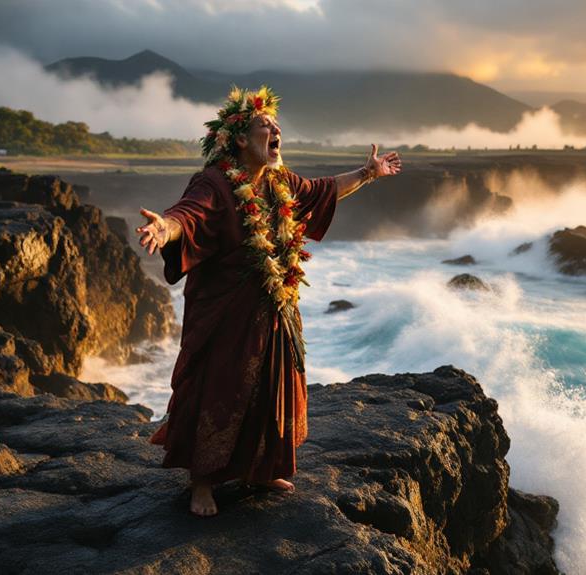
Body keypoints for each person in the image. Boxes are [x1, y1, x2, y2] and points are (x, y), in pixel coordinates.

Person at [135, 86, 401, 517]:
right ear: (240, 139)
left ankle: (259, 468)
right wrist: (164, 228)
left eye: (276, 125)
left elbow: (321, 191)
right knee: (218, 388)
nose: (276, 130)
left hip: (275, 308)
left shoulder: (281, 181)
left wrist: (367, 173)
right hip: (225, 312)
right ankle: (202, 483)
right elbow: (188, 214)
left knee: (271, 387)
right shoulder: (216, 183)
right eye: (265, 125)